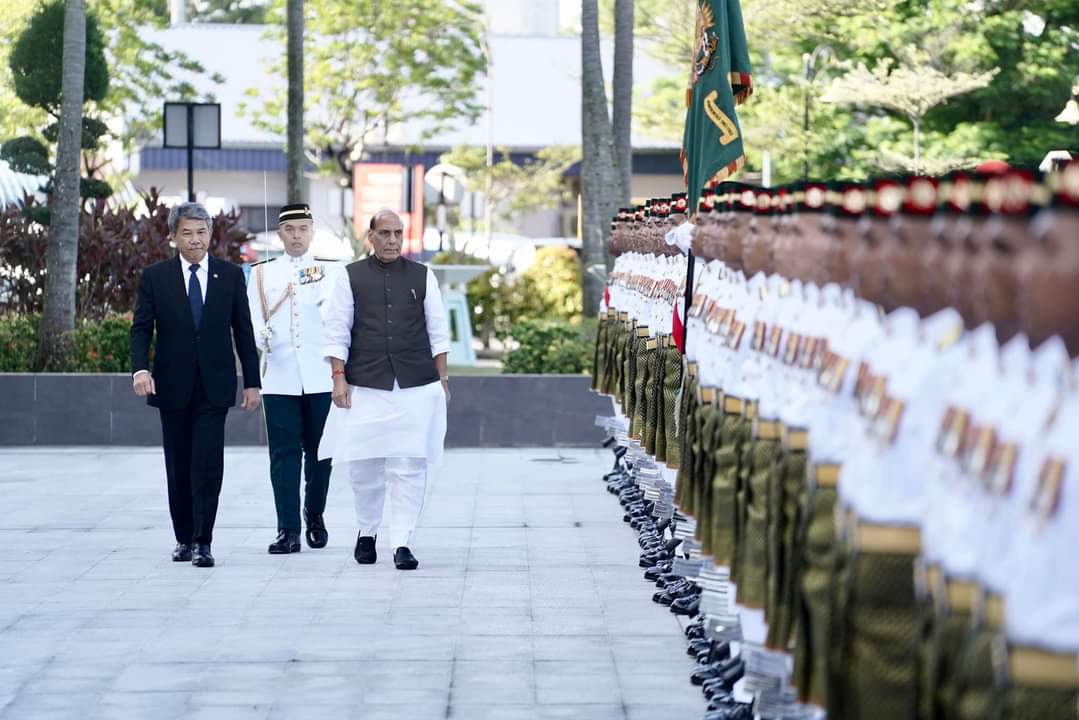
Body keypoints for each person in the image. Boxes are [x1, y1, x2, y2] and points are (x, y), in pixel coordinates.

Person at [129, 202, 261, 568]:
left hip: (214, 385)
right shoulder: (155, 277)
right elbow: (141, 329)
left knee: (207, 463)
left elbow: (244, 332)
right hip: (171, 385)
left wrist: (252, 382)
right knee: (179, 464)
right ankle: (183, 538)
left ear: (210, 234)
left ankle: (204, 541)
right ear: (173, 237)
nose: (195, 239)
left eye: (201, 232)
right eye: (186, 233)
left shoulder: (231, 276)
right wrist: (140, 369)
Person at [318, 209, 450, 571]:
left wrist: (442, 380)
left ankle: (402, 541)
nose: (392, 240)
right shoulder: (350, 276)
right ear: (371, 236)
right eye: (385, 233)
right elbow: (336, 330)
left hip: (415, 385)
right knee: (365, 465)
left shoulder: (423, 276)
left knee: (409, 465)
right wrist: (338, 377)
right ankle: (367, 532)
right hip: (364, 383)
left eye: (398, 233)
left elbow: (438, 332)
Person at [247, 203, 344, 554]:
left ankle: (313, 513)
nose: (297, 236)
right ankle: (287, 529)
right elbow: (253, 320)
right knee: (284, 455)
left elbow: (340, 321)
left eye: (303, 229)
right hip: (280, 375)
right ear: (280, 234)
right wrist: (263, 337)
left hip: (320, 375)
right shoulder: (262, 273)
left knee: (322, 454)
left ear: (312, 231)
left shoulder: (333, 271)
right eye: (290, 230)